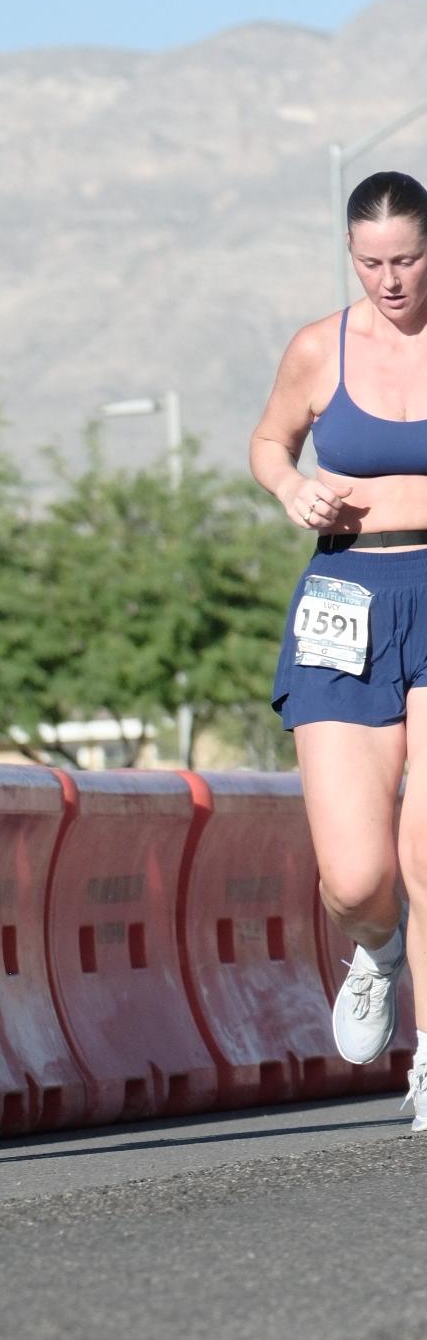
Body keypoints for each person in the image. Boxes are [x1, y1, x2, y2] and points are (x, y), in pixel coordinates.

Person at [250, 168, 427, 1109]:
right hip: (346, 594)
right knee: (357, 877)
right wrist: (291, 488)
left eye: (408, 260)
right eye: (371, 263)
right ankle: (376, 948)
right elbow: (269, 443)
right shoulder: (321, 348)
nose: (390, 281)